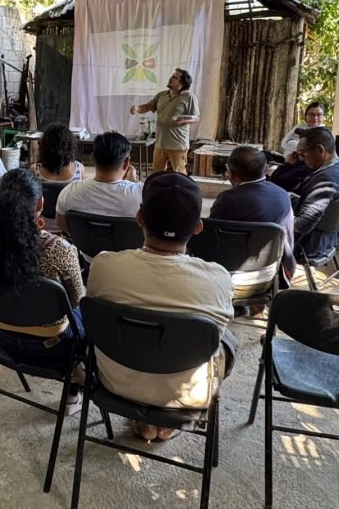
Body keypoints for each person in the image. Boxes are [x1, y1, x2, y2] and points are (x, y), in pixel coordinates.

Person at [88, 171, 235, 442]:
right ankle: (165, 417)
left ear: (140, 218)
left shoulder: (103, 265)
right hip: (187, 395)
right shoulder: (219, 279)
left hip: (114, 384)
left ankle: (141, 415)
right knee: (226, 337)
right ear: (198, 226)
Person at [0, 168, 86, 415]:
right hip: (53, 347)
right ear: (41, 204)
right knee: (94, 310)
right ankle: (75, 385)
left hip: (3, 336)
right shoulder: (61, 250)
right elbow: (78, 301)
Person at [209, 145, 297, 283]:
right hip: (274, 273)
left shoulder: (229, 199)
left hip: (230, 275)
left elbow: (210, 236)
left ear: (230, 174)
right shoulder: (282, 194)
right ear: (265, 169)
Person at [55, 131, 141, 256]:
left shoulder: (69, 191)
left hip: (88, 260)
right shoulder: (142, 194)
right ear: (127, 163)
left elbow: (62, 224)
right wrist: (134, 183)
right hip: (130, 263)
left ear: (93, 158)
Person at [292, 127, 339, 260]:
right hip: (326, 237)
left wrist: (275, 218)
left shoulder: (327, 179)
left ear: (320, 150)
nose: (301, 159)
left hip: (308, 243)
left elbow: (303, 224)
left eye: (303, 153)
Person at [130, 68, 199, 174]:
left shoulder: (189, 97)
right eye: (172, 75)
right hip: (160, 144)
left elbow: (196, 117)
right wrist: (137, 109)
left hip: (177, 145)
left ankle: (180, 191)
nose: (171, 78)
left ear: (182, 83)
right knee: (157, 173)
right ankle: (158, 190)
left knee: (179, 173)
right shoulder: (161, 95)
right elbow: (148, 106)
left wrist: (184, 120)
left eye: (175, 77)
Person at [30, 122, 85, 233]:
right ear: (70, 147)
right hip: (69, 229)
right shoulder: (79, 169)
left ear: (44, 146)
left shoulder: (34, 170)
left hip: (41, 229)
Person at [269, 102, 326, 193]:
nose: (315, 118)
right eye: (311, 114)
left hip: (300, 166)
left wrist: (295, 145)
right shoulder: (300, 126)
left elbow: (308, 150)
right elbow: (284, 143)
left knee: (272, 175)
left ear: (323, 117)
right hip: (289, 161)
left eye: (319, 115)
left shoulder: (323, 133)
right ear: (306, 115)